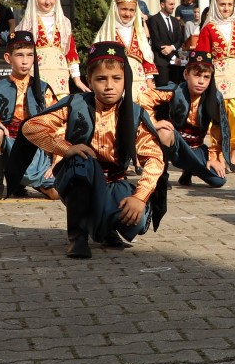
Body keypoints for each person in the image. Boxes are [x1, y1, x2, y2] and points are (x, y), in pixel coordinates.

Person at [20, 41, 166, 259]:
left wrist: (140, 196)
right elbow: (31, 127)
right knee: (83, 161)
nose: (109, 86)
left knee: (137, 220)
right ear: (89, 80)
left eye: (116, 78)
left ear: (126, 79)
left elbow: (154, 158)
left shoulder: (134, 113)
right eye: (101, 79)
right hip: (79, 179)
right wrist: (66, 148)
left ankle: (105, 229)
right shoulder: (74, 104)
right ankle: (77, 238)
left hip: (113, 181)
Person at [0, 30, 58, 202]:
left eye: (30, 55)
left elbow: (59, 123)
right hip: (8, 144)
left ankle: (22, 180)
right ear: (8, 58)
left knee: (55, 194)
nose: (25, 61)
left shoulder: (43, 88)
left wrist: (57, 160)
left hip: (34, 147)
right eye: (19, 55)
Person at [191, 0, 235, 171]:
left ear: (234, 5)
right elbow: (202, 57)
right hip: (217, 80)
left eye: (229, 4)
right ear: (215, 5)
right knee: (218, 119)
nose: (226, 8)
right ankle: (218, 154)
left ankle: (233, 152)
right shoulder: (208, 29)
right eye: (222, 4)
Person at [151, 48, 229, 189]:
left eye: (206, 77)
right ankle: (161, 176)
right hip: (175, 145)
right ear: (186, 74)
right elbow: (144, 99)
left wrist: (214, 158)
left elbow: (218, 129)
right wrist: (154, 123)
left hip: (196, 147)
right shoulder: (174, 91)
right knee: (164, 132)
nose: (201, 81)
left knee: (218, 180)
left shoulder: (215, 98)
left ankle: (189, 170)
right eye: (197, 76)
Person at [92, 0, 159, 102]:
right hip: (115, 88)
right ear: (115, 9)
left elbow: (147, 58)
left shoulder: (139, 33)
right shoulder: (107, 33)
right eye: (124, 9)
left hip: (139, 87)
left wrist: (150, 82)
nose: (128, 14)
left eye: (131, 10)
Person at [18, 0, 80, 95]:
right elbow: (20, 54)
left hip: (60, 78)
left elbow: (71, 52)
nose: (48, 2)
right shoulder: (28, 23)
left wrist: (77, 80)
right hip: (37, 76)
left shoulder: (63, 23)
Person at [148, 0, 184, 90]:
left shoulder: (175, 21)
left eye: (174, 4)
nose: (173, 7)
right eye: (170, 4)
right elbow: (157, 42)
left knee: (175, 91)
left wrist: (172, 47)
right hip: (161, 63)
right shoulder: (154, 20)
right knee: (162, 91)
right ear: (162, 5)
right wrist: (172, 57)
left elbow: (180, 39)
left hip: (175, 64)